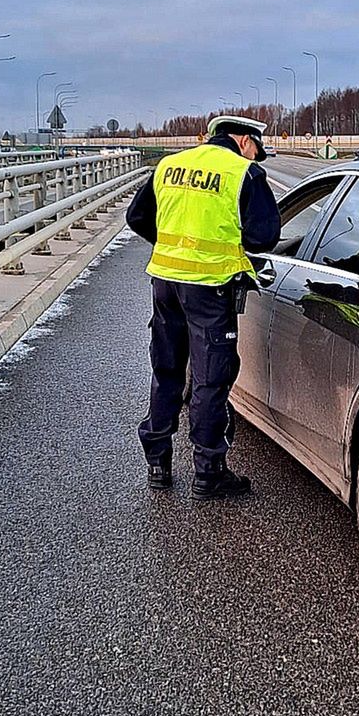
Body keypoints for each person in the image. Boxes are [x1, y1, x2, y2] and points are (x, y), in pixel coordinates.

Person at [126, 115, 280, 499]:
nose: (256, 156)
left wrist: (175, 248)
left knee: (166, 369)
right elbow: (265, 237)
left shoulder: (170, 165)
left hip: (165, 283)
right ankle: (208, 472)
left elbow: (137, 217)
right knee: (211, 378)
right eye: (256, 149)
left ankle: (158, 464)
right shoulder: (242, 173)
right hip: (210, 290)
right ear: (245, 140)